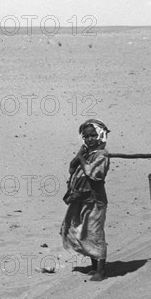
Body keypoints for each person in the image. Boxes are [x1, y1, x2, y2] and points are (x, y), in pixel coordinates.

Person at [60, 119, 111, 281]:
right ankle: (94, 265)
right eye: (86, 136)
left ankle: (101, 270)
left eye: (93, 135)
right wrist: (79, 157)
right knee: (82, 231)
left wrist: (82, 159)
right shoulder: (87, 153)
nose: (89, 139)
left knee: (95, 233)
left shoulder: (102, 155)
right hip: (81, 198)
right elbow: (71, 168)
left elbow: (94, 174)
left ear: (100, 135)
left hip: (95, 200)